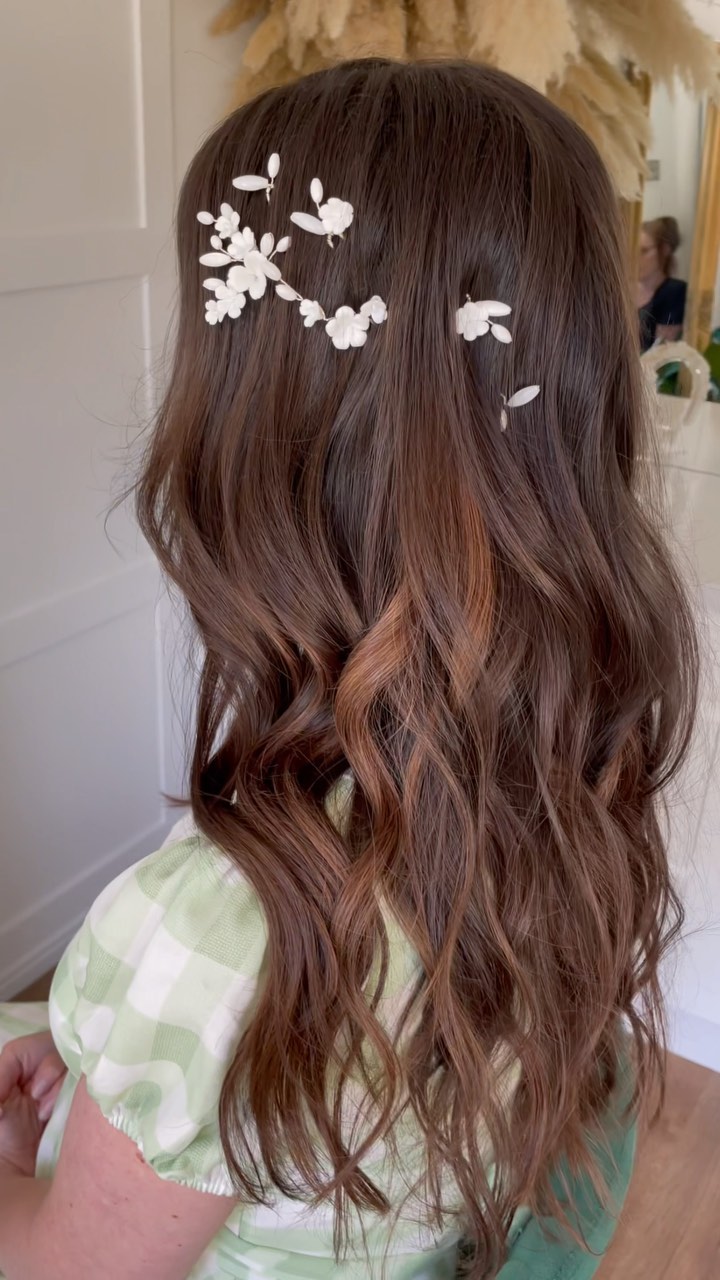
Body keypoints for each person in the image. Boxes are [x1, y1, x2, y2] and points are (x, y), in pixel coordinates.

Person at [0, 60, 698, 1280]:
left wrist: (27, 1158)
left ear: (254, 437)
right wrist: (134, 1071)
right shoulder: (562, 780)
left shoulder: (224, 937)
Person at [637, 216, 687, 351]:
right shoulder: (621, 288)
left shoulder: (673, 291)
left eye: (643, 251)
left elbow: (662, 351)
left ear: (664, 250)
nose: (635, 258)